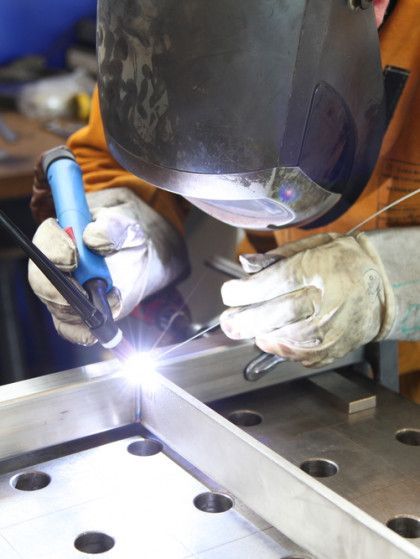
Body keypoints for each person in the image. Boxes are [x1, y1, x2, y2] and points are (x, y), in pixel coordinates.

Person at [29, 0, 420, 400]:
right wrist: (127, 238)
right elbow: (128, 155)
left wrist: (394, 285)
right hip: (289, 368)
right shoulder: (160, 16)